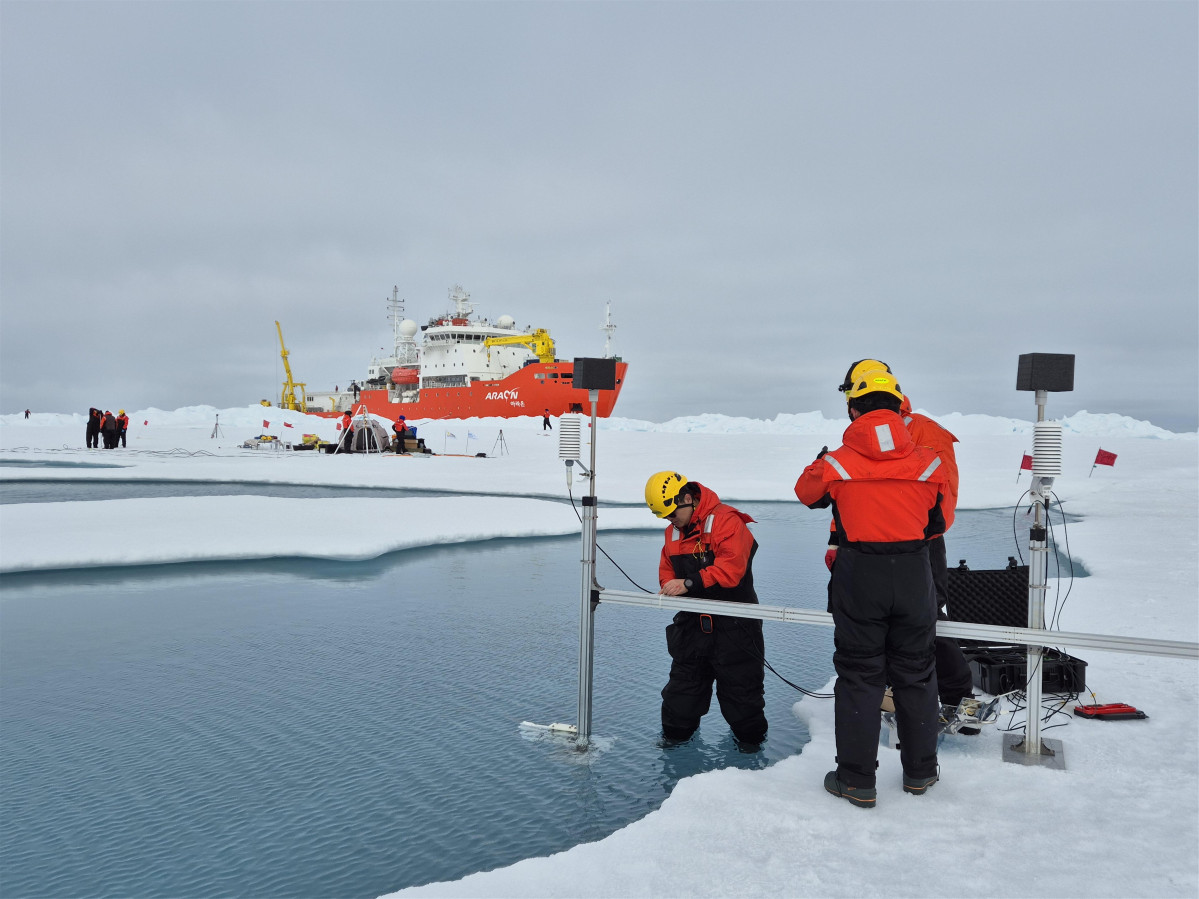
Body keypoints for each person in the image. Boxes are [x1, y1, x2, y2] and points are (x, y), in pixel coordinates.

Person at [794, 368, 947, 808]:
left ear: (852, 406)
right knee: (917, 674)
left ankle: (856, 780)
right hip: (915, 572)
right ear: (899, 404)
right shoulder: (928, 462)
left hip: (860, 575)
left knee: (860, 676)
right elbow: (936, 524)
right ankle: (921, 772)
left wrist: (821, 458)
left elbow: (806, 493)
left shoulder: (837, 463)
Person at [834, 359, 974, 713]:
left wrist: (912, 536)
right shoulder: (862, 433)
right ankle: (895, 694)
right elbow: (851, 497)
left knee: (927, 623)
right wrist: (839, 540)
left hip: (916, 548)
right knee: (881, 628)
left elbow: (944, 502)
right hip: (868, 550)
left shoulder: (925, 432)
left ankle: (958, 696)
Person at [645, 471, 767, 748]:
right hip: (691, 628)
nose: (669, 520)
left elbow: (731, 570)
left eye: (672, 513)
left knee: (743, 699)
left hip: (735, 627)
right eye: (664, 516)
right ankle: (674, 746)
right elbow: (666, 571)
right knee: (680, 698)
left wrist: (688, 583)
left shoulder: (727, 522)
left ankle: (751, 756)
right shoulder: (673, 532)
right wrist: (669, 585)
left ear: (687, 498)